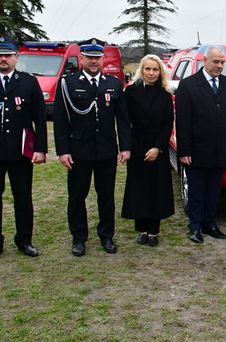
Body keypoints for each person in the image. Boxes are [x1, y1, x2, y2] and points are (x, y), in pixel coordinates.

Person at [53, 38, 130, 256]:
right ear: (82, 58)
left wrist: (125, 146)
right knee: (77, 195)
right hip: (79, 151)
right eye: (89, 58)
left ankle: (106, 236)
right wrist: (63, 150)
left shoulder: (113, 84)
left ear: (103, 59)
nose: (93, 62)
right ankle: (79, 238)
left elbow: (122, 119)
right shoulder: (68, 83)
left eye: (97, 58)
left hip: (106, 150)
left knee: (106, 195)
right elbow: (60, 120)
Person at [175, 46, 226, 243]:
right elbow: (183, 121)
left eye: (222, 62)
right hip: (196, 150)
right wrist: (184, 149)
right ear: (205, 60)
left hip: (221, 149)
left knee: (214, 190)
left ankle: (210, 224)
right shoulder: (188, 85)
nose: (219, 66)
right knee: (197, 191)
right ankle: (194, 227)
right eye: (215, 62)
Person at [0, 36, 47, 257]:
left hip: (20, 152)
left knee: (23, 198)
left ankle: (24, 240)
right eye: (0, 55)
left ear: (16, 57)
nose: (3, 59)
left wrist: (40, 149)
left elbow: (40, 117)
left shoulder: (28, 82)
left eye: (8, 55)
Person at [121, 54, 174, 247]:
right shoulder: (130, 92)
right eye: (147, 69)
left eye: (155, 69)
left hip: (157, 147)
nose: (151, 73)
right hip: (137, 145)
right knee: (139, 188)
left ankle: (153, 230)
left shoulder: (166, 94)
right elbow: (125, 122)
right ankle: (141, 229)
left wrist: (158, 147)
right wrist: (127, 147)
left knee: (156, 188)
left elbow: (168, 123)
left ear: (160, 71)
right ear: (141, 70)